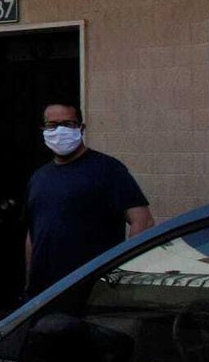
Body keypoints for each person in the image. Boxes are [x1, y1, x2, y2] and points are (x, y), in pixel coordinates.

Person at [24, 101, 154, 297]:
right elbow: (33, 234)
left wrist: (123, 274)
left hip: (93, 290)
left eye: (68, 124)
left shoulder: (108, 170)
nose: (59, 130)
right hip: (44, 292)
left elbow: (142, 221)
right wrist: (30, 282)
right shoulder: (39, 177)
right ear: (43, 129)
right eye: (52, 125)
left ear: (81, 128)